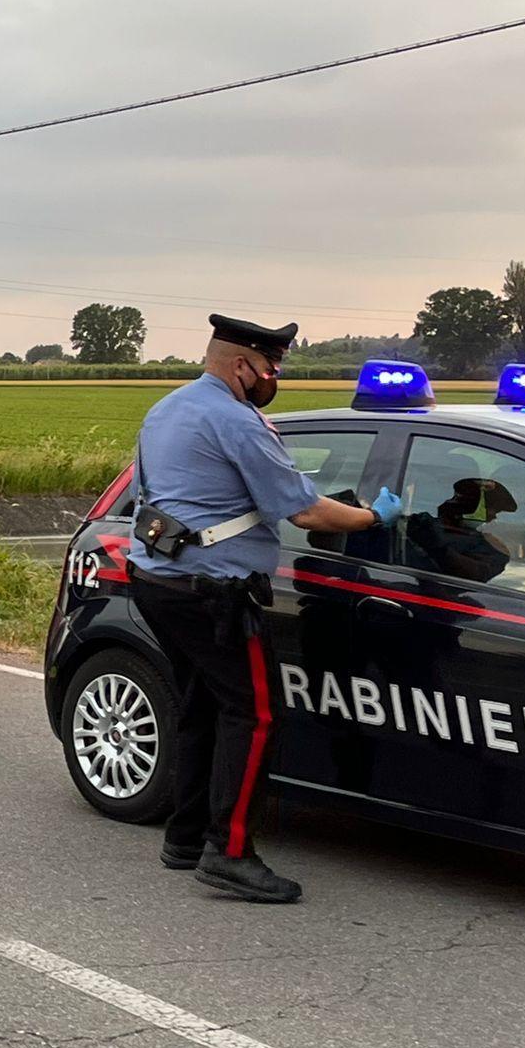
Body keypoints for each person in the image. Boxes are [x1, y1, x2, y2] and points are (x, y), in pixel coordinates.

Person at [128, 314, 404, 904]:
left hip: (157, 579)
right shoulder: (236, 419)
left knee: (202, 703)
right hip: (214, 592)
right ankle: (229, 853)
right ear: (240, 365)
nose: (274, 376)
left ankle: (185, 836)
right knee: (253, 715)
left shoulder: (166, 409)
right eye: (271, 366)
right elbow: (303, 512)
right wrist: (374, 517)